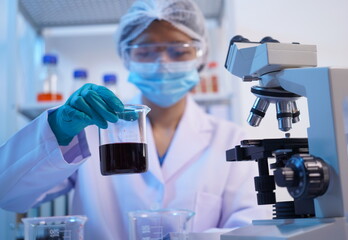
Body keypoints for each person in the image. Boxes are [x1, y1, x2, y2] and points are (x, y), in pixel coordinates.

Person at [0, 0, 268, 239]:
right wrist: (57, 130)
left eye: (179, 51)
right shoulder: (93, 130)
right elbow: (7, 193)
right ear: (127, 57)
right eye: (145, 50)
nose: (161, 62)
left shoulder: (231, 139)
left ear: (200, 56)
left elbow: (250, 227)